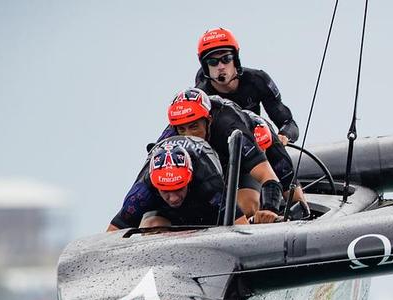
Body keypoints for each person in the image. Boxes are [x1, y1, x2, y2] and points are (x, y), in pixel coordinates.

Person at [164, 88, 283, 223]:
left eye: (194, 127)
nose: (188, 135)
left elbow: (267, 175)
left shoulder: (229, 127)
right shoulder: (170, 137)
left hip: (237, 164)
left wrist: (270, 210)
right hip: (203, 174)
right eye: (182, 129)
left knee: (247, 205)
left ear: (209, 121)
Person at [107, 137, 248, 231]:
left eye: (179, 188)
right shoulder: (142, 192)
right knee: (152, 227)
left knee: (238, 213)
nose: (173, 198)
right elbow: (110, 237)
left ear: (190, 178)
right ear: (155, 186)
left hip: (204, 207)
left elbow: (242, 226)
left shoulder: (209, 183)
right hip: (164, 213)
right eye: (166, 191)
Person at [194, 27, 300, 145]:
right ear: (205, 67)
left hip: (255, 146)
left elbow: (288, 122)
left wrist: (284, 135)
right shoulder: (200, 96)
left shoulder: (257, 80)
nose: (221, 66)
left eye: (226, 59)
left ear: (235, 60)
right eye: (213, 62)